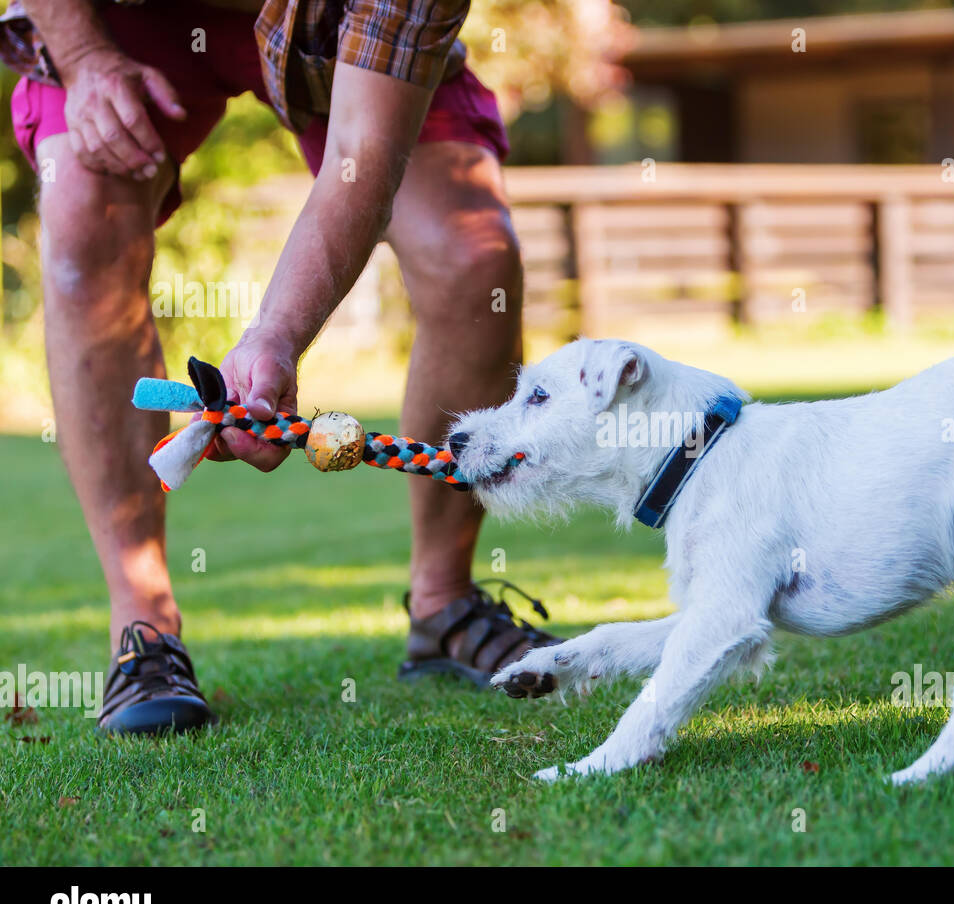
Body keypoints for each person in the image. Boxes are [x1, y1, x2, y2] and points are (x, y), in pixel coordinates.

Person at [2, 0, 558, 734]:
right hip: (116, 16)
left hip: (330, 29)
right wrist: (85, 60)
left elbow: (365, 149)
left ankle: (443, 604)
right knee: (80, 214)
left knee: (472, 256)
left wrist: (275, 339)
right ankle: (143, 627)